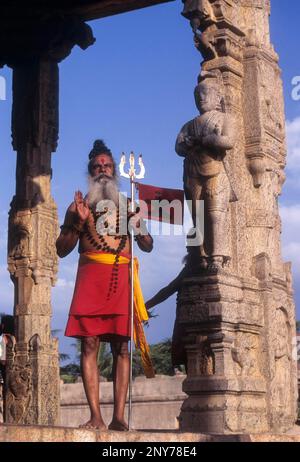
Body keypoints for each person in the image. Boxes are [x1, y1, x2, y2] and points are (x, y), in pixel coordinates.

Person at [56, 140, 153, 431]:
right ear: (90, 172)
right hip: (90, 279)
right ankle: (96, 416)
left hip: (119, 278)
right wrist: (76, 223)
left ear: (115, 172)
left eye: (107, 165)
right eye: (97, 166)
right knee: (89, 344)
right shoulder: (78, 207)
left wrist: (138, 225)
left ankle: (119, 417)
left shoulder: (127, 207)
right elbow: (61, 250)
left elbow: (147, 246)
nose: (102, 170)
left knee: (122, 347)